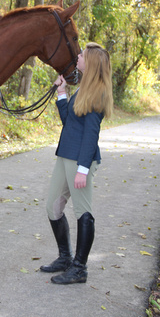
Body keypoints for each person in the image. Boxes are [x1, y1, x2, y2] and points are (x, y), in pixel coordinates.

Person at [40, 42, 113, 285]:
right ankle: (65, 257)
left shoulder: (98, 93)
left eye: (82, 55)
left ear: (90, 63)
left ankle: (79, 268)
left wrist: (83, 169)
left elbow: (91, 135)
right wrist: (62, 94)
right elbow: (69, 122)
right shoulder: (82, 88)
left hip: (80, 160)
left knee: (83, 211)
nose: (78, 56)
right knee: (52, 206)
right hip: (65, 156)